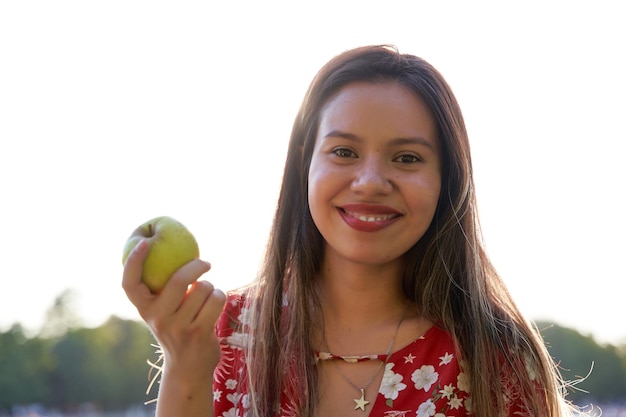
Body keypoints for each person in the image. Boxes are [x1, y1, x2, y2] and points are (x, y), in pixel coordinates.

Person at [123, 45, 583, 417]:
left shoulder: (495, 361)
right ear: (306, 162)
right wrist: (184, 368)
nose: (369, 182)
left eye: (406, 158)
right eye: (344, 152)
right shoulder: (220, 334)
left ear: (447, 180)